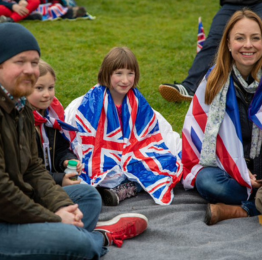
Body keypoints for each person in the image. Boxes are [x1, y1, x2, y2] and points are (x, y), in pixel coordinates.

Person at [0, 23, 148, 260]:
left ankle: (46, 258)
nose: (30, 70)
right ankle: (99, 238)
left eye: (34, 61)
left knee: (86, 196)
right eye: (20, 62)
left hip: (12, 207)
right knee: (75, 240)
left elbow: (32, 166)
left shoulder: (17, 99)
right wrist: (54, 217)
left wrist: (59, 205)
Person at [182, 9, 262, 226]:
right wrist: (238, 172)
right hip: (231, 175)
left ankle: (241, 210)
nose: (248, 45)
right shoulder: (212, 82)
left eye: (255, 38)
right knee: (208, 182)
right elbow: (202, 139)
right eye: (240, 38)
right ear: (229, 44)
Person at [65, 47, 183, 206]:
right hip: (104, 159)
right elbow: (81, 135)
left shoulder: (137, 103)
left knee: (161, 163)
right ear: (107, 74)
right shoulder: (89, 103)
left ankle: (124, 189)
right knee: (94, 172)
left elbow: (149, 131)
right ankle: (119, 188)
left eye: (130, 74)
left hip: (130, 153)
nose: (125, 80)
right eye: (119, 73)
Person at [159, 0, 262, 103]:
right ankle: (190, 87)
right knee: (215, 39)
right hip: (233, 1)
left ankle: (259, 86)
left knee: (258, 36)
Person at [27, 59, 83, 186]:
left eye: (50, 87)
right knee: (90, 195)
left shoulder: (51, 117)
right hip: (33, 187)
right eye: (39, 88)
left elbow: (60, 149)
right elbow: (27, 170)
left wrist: (67, 160)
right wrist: (59, 180)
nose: (47, 94)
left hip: (51, 183)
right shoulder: (21, 122)